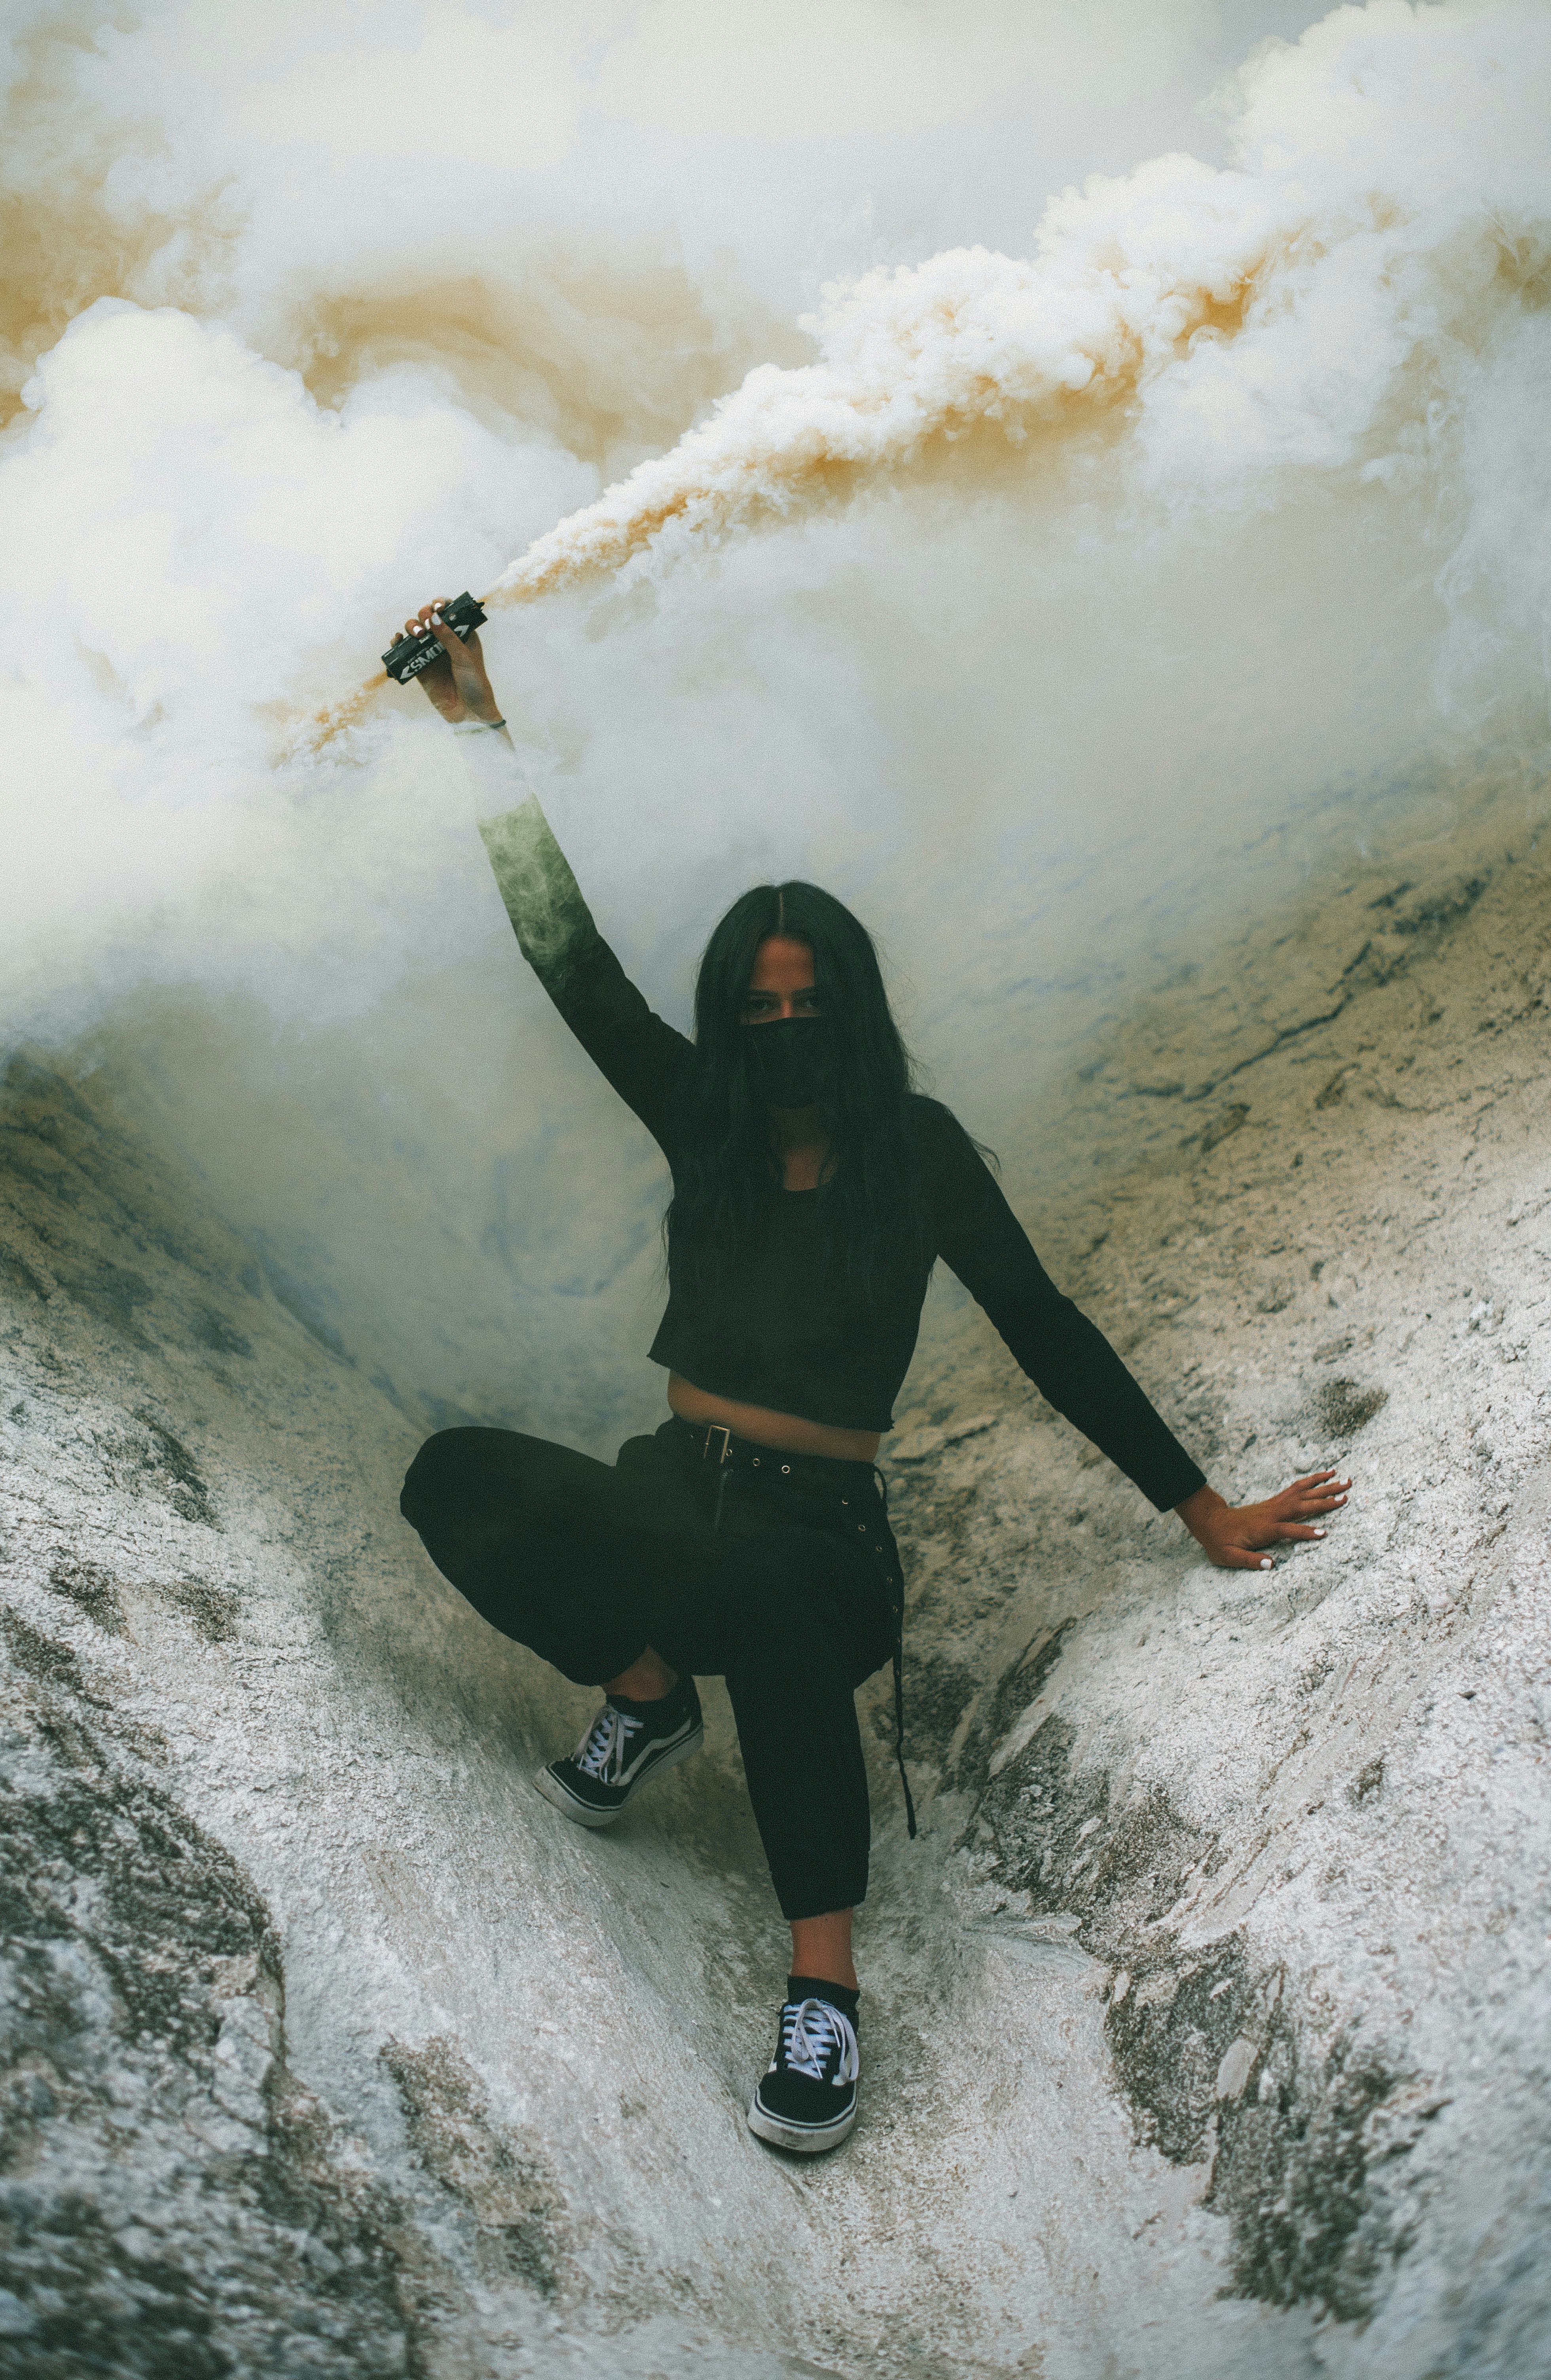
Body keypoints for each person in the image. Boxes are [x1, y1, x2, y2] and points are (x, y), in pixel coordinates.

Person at [395, 597, 1351, 2156]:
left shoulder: (916, 1152)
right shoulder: (698, 1114)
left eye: (805, 1003)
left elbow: (1042, 1325)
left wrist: (1199, 1505)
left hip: (819, 1552)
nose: (780, 1027)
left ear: (846, 1008)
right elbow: (563, 958)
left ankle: (821, 1988)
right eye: (755, 1005)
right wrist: (478, 733)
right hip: (672, 1509)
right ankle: (645, 1696)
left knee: (766, 1600)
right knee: (456, 1476)